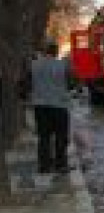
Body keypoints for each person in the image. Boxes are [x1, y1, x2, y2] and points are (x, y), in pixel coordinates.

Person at [29, 41, 74, 174]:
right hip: (59, 106)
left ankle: (44, 166)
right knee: (61, 136)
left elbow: (25, 84)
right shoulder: (63, 65)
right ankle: (60, 165)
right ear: (56, 51)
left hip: (40, 106)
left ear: (44, 51)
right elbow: (72, 84)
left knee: (43, 137)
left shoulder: (34, 65)